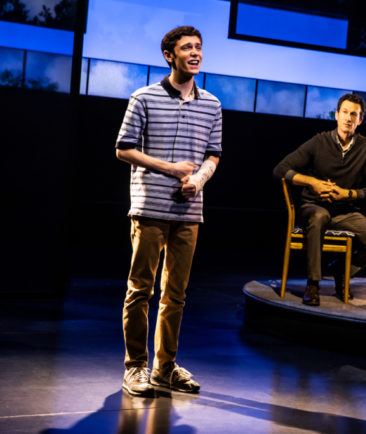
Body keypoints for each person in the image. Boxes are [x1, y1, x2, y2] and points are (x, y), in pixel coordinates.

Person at [116, 26, 222, 396]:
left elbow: (213, 155)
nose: (195, 53)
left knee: (175, 294)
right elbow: (124, 149)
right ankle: (136, 367)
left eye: (199, 47)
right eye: (187, 48)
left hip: (190, 211)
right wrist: (171, 168)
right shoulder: (143, 97)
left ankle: (165, 366)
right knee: (140, 289)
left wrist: (200, 179)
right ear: (169, 55)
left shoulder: (212, 104)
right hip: (150, 208)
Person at [273, 93, 366, 306]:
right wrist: (312, 182)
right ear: (336, 115)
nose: (348, 118)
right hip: (314, 207)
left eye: (354, 114)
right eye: (344, 112)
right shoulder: (319, 141)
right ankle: (313, 284)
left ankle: (341, 271)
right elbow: (280, 169)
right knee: (319, 217)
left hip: (345, 211)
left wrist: (348, 194)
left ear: (360, 120)